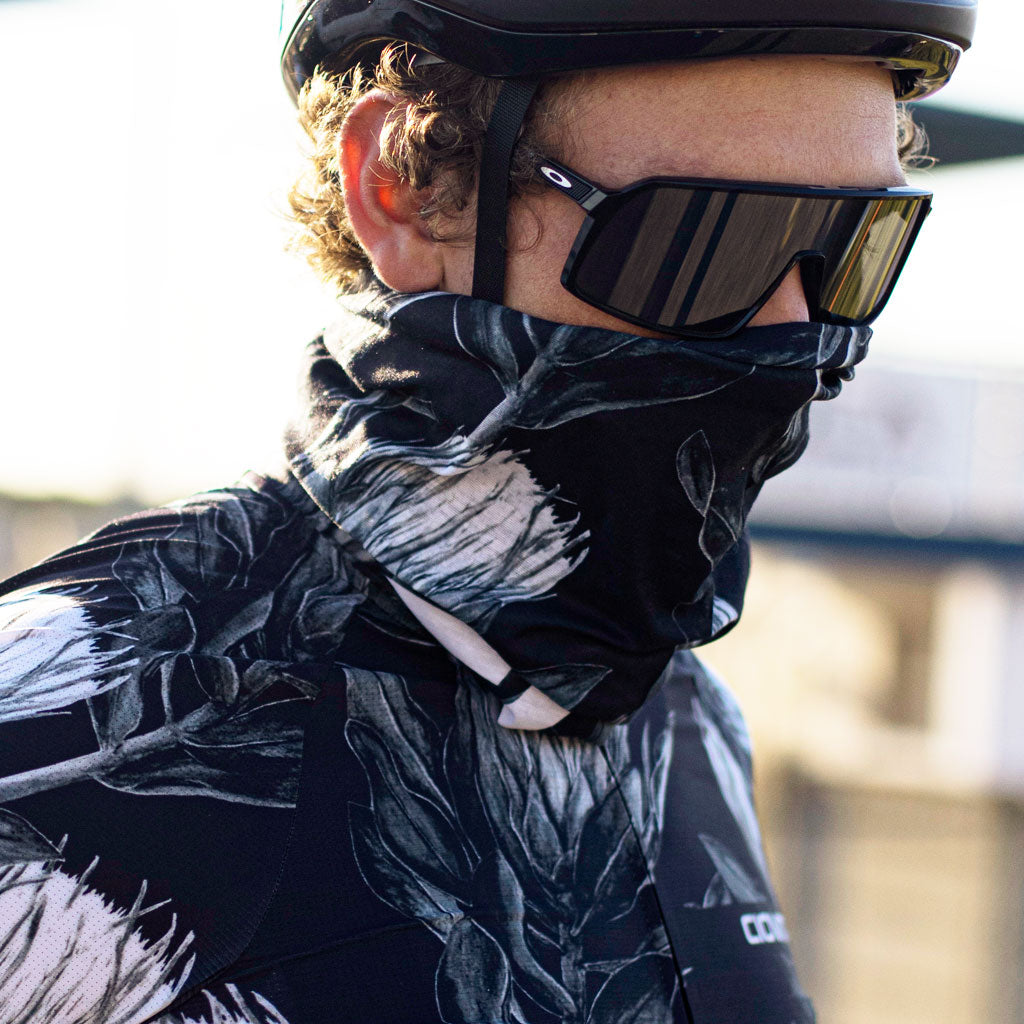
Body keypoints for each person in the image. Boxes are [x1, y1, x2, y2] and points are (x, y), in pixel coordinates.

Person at [0, 2, 975, 1022]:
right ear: (402, 191)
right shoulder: (77, 743)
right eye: (700, 241)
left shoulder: (680, 713)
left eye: (858, 247)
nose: (793, 332)